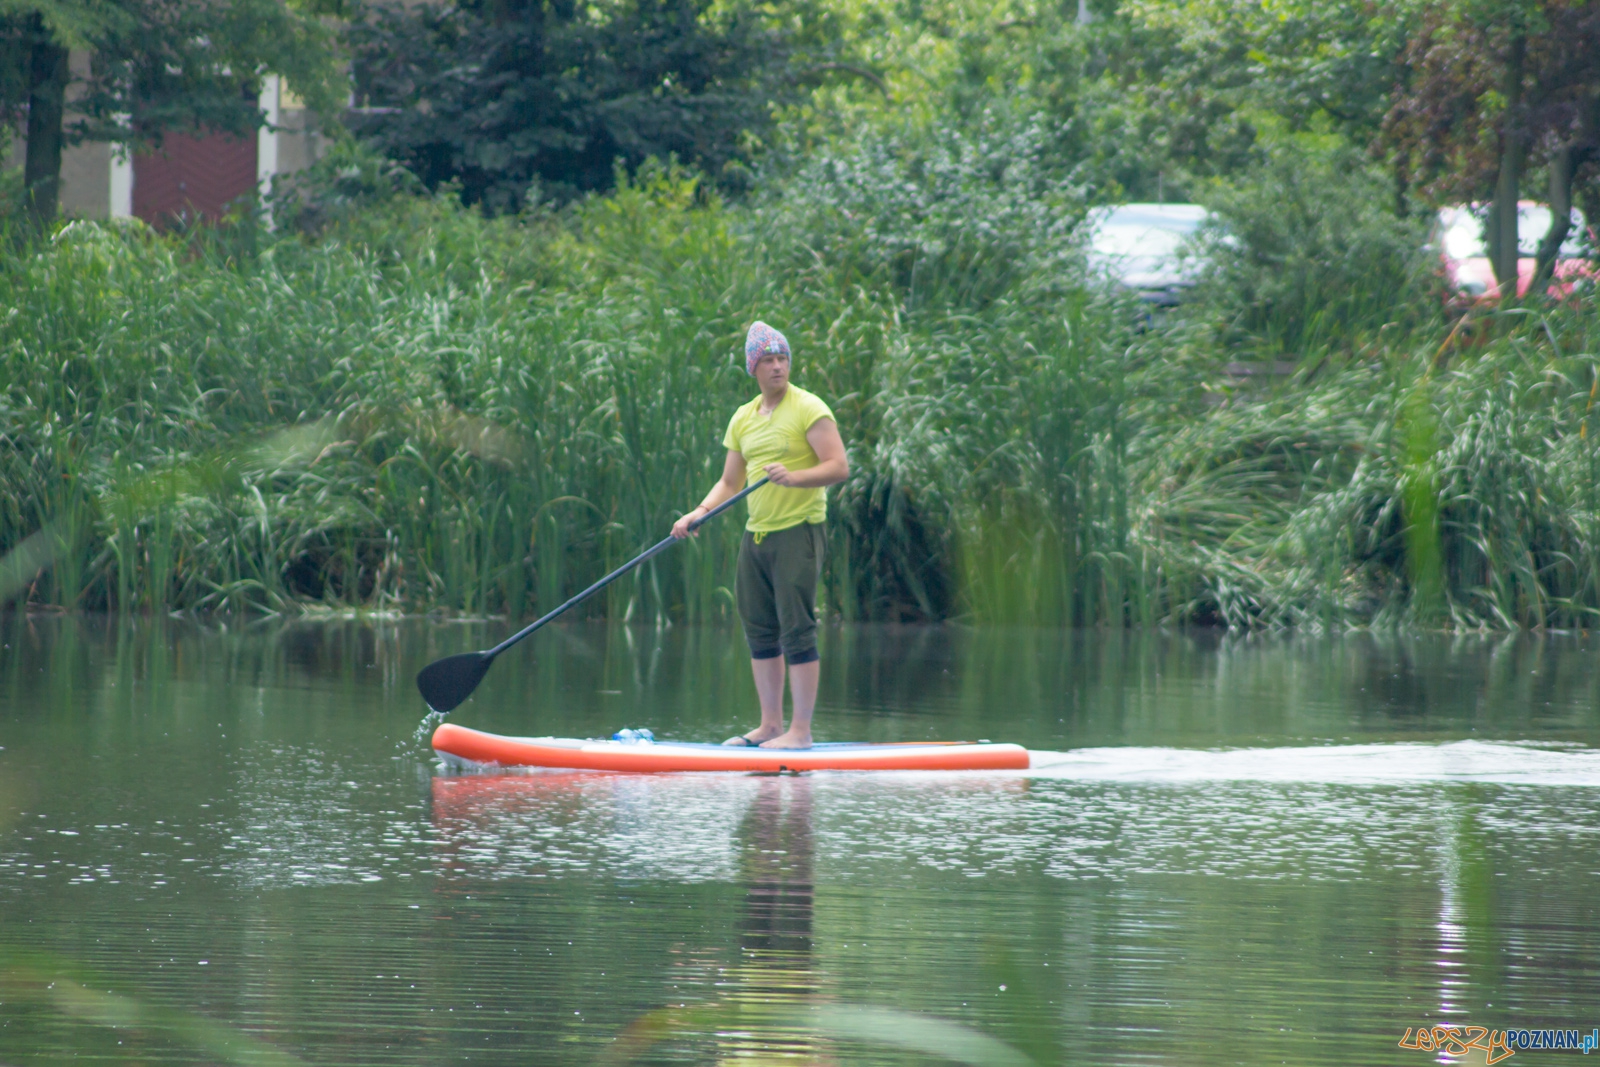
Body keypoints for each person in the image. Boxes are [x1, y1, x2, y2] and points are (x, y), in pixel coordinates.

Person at [671, 322, 849, 749]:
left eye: (782, 358)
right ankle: (770, 727)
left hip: (799, 532)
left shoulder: (809, 408)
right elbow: (729, 482)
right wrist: (699, 512)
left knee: (797, 630)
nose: (777, 366)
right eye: (768, 360)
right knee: (760, 630)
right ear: (753, 367)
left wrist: (795, 477)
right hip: (757, 537)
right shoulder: (743, 417)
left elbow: (838, 466)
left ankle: (800, 733)